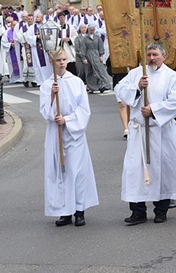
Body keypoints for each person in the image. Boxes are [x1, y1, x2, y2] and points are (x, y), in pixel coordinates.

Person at [114, 42, 176, 225]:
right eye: (148, 55)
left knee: (162, 170)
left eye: (155, 54)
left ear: (163, 56)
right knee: (135, 170)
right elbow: (119, 90)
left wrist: (154, 110)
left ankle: (161, 210)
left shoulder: (174, 77)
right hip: (139, 131)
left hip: (161, 130)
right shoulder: (136, 74)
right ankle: (138, 211)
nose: (151, 58)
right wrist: (137, 88)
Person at [40, 50, 99, 227]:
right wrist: (52, 96)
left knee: (76, 170)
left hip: (74, 133)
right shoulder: (46, 85)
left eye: (64, 59)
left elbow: (84, 109)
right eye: (58, 60)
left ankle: (79, 210)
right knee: (59, 171)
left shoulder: (76, 82)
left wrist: (68, 120)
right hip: (55, 133)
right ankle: (64, 211)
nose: (62, 63)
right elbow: (44, 111)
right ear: (52, 62)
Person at [79, 25, 110, 93]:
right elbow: (83, 48)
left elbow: (100, 46)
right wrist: (83, 58)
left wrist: (101, 55)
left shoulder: (97, 37)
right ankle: (91, 87)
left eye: (93, 30)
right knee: (89, 72)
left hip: (96, 54)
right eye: (90, 30)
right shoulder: (85, 38)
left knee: (99, 70)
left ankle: (104, 85)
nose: (92, 31)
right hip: (88, 55)